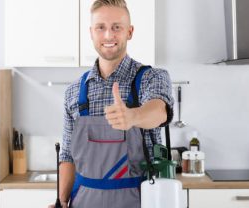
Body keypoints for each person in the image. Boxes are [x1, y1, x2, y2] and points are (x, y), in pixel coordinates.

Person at [49, 0, 173, 207]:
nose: (108, 35)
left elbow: (160, 111)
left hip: (140, 201)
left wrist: (133, 116)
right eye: (101, 27)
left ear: (130, 32)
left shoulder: (152, 78)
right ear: (91, 33)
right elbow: (68, 155)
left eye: (117, 27)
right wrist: (61, 201)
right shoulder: (74, 92)